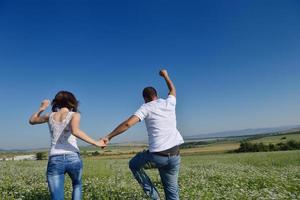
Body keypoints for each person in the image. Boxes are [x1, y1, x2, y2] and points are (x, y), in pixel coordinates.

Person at [101, 69, 184, 200]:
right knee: (172, 191)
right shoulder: (169, 102)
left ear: (145, 98)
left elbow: (128, 124)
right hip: (175, 154)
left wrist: (109, 136)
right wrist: (166, 76)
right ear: (156, 95)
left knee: (133, 165)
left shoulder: (146, 107)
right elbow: (173, 89)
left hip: (158, 155)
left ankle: (154, 197)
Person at [29, 91, 105, 200]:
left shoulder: (49, 116)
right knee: (77, 185)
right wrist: (96, 142)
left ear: (57, 103)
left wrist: (42, 108)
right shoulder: (75, 115)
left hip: (55, 159)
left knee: (57, 197)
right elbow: (75, 131)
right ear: (72, 102)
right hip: (73, 157)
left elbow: (32, 120)